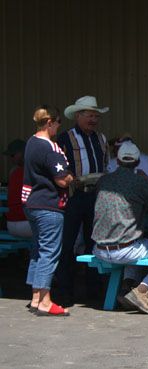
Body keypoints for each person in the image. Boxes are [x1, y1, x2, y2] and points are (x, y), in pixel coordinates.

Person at [92, 141, 148, 314]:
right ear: (137, 162)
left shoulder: (103, 180)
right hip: (124, 249)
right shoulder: (139, 182)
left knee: (136, 240)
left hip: (98, 248)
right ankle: (144, 290)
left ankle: (126, 287)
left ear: (118, 161)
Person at [56, 95, 110, 305]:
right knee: (67, 243)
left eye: (96, 116)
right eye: (90, 115)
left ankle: (93, 290)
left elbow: (105, 165)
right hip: (74, 195)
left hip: (95, 195)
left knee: (93, 242)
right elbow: (59, 167)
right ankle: (64, 290)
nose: (94, 119)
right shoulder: (65, 138)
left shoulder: (101, 138)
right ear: (78, 116)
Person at [23, 105, 74, 316]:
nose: (60, 126)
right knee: (49, 252)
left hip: (32, 203)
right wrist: (72, 178)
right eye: (59, 122)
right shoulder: (50, 147)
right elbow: (62, 180)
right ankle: (45, 300)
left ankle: (35, 296)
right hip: (49, 205)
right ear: (50, 122)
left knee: (37, 250)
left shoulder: (31, 143)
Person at [3, 139, 32, 238]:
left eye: (13, 155)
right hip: (26, 223)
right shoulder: (34, 170)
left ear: (22, 153)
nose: (11, 159)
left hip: (12, 224)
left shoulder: (15, 172)